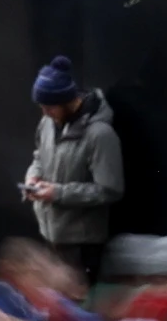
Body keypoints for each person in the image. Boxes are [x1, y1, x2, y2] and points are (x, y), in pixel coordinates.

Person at [17, 59, 122, 261]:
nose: (45, 113)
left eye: (50, 107)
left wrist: (58, 193)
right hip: (50, 235)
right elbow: (39, 157)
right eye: (42, 106)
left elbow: (110, 190)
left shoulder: (100, 135)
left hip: (82, 244)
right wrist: (33, 177)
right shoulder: (47, 123)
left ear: (67, 100)